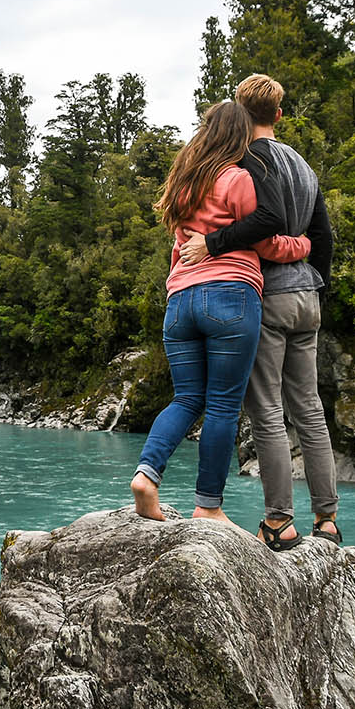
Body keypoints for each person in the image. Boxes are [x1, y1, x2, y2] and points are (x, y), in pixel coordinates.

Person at [177, 74, 340, 550]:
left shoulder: (245, 161)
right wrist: (316, 285)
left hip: (265, 294)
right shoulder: (304, 166)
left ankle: (278, 522)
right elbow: (324, 238)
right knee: (309, 409)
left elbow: (257, 223)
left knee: (267, 410)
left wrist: (211, 244)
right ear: (279, 115)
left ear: (241, 117)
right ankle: (327, 519)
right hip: (307, 295)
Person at [131, 101, 309, 527]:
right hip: (230, 296)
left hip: (180, 302)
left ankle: (146, 475)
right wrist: (303, 246)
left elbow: (180, 247)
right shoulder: (237, 178)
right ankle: (208, 506)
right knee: (224, 405)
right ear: (238, 135)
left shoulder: (183, 185)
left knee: (187, 398)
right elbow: (264, 241)